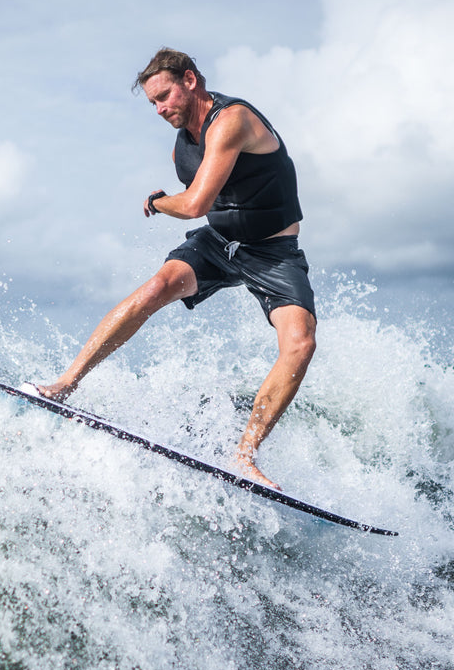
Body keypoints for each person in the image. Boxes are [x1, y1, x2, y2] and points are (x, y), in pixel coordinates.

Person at [31, 48, 317, 490]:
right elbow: (208, 200)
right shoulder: (182, 144)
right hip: (219, 243)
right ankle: (64, 384)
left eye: (164, 96)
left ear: (190, 80)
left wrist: (157, 202)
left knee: (299, 344)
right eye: (153, 104)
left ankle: (244, 456)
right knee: (156, 288)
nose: (161, 109)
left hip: (273, 251)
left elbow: (196, 203)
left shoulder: (232, 121)